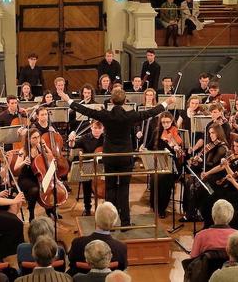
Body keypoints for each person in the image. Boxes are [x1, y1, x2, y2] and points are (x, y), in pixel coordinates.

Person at [63, 89, 173, 226]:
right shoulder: (130, 115)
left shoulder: (106, 115)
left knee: (110, 188)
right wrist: (166, 102)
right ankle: (125, 222)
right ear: (125, 101)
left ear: (111, 101)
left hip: (110, 157)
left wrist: (68, 99)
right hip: (125, 157)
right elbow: (150, 113)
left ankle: (110, 221)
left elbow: (86, 111)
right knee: (124, 189)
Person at [68, 202, 128, 276]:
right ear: (114, 223)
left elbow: (72, 264)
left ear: (96, 219)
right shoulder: (121, 248)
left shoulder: (78, 243)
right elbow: (122, 270)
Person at [68, 120, 105, 216]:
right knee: (86, 183)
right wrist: (71, 140)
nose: (97, 130)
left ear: (103, 129)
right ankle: (87, 208)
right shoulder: (85, 138)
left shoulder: (106, 138)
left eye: (99, 128)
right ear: (91, 127)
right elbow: (73, 145)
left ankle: (106, 207)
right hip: (88, 166)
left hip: (102, 167)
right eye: (95, 128)